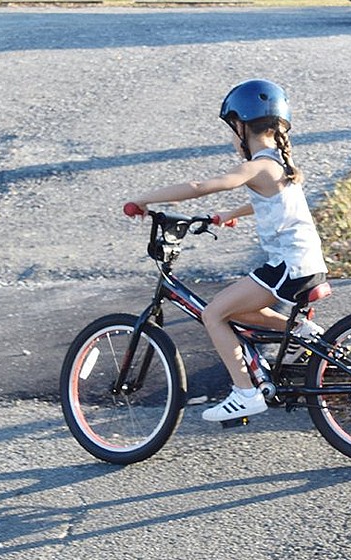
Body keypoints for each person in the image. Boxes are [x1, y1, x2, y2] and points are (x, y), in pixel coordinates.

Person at [126, 79, 329, 422]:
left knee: (213, 313)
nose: (232, 139)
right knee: (235, 309)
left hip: (288, 267)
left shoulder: (259, 166)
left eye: (232, 131)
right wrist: (229, 215)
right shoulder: (279, 165)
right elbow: (273, 204)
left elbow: (201, 187)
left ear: (242, 125)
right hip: (305, 265)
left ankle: (245, 393)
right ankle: (298, 331)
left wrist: (143, 199)